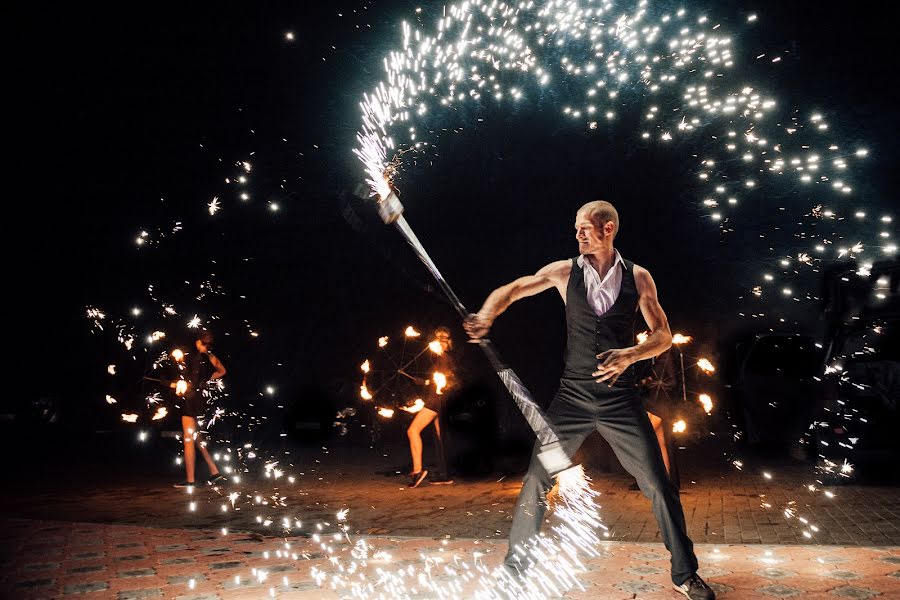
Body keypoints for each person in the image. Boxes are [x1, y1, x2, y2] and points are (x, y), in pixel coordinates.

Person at [464, 201, 714, 599]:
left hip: (621, 401)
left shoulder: (639, 277)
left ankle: (685, 575)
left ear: (608, 228)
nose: (578, 234)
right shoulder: (565, 272)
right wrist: (485, 315)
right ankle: (515, 573)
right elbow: (514, 289)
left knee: (658, 484)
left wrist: (631, 354)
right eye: (576, 228)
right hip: (572, 400)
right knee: (535, 481)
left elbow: (663, 335)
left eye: (585, 228)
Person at [172, 330, 227, 488]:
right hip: (201, 401)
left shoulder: (195, 358)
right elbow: (222, 371)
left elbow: (187, 381)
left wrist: (178, 385)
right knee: (197, 440)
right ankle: (215, 472)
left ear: (198, 342)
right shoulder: (210, 357)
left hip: (191, 402)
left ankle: (190, 480)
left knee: (188, 440)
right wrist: (208, 380)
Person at [406, 326, 455, 487]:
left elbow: (445, 381)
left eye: (443, 338)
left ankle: (418, 470)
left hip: (436, 401)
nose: (439, 341)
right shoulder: (442, 359)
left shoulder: (444, 358)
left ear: (447, 342)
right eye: (438, 337)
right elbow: (438, 380)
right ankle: (444, 475)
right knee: (440, 437)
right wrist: (424, 382)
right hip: (440, 399)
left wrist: (428, 383)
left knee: (412, 430)